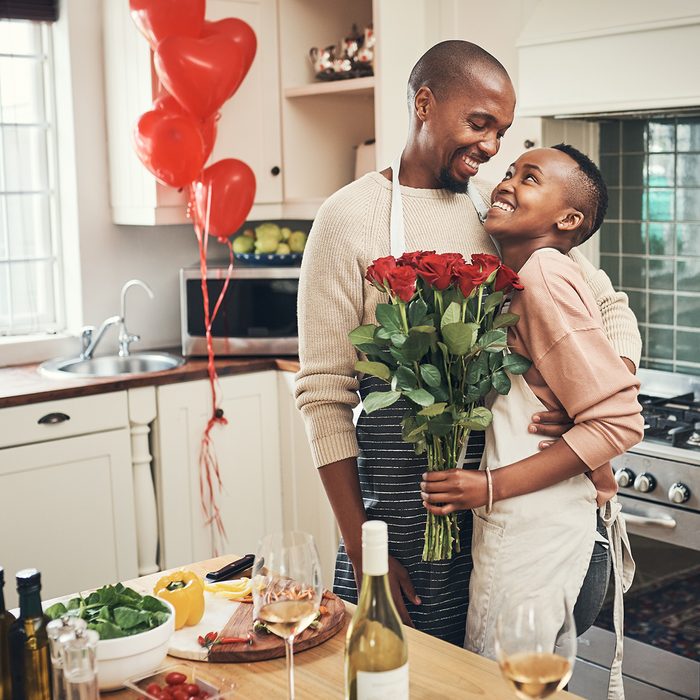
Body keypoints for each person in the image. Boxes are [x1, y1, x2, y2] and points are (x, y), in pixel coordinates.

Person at [295, 40, 641, 646]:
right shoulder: (348, 218)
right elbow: (324, 396)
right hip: (397, 518)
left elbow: (609, 305)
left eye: (500, 133)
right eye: (479, 124)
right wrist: (361, 545)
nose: (490, 148)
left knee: (482, 674)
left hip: (493, 514)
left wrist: (585, 397)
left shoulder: (497, 216)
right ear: (424, 104)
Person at [420, 144, 642, 696]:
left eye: (530, 177)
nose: (507, 181)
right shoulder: (526, 275)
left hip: (532, 532)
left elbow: (618, 421)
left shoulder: (543, 274)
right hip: (539, 526)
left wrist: (487, 485)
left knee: (498, 687)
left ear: (568, 221)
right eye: (512, 171)